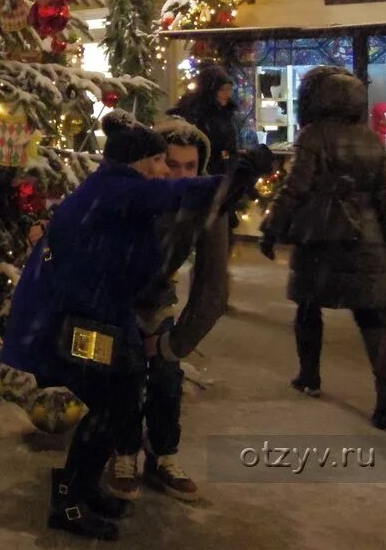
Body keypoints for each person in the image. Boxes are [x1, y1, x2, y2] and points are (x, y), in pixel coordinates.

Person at [1, 112, 229, 540]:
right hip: (82, 320)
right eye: (162, 161)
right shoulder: (119, 188)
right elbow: (175, 195)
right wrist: (228, 182)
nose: (166, 171)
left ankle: (82, 489)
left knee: (116, 398)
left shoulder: (111, 186)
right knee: (103, 404)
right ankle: (67, 502)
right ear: (142, 162)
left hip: (100, 312)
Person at [106, 117, 266, 503]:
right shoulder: (125, 193)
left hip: (157, 298)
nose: (179, 175)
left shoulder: (205, 205)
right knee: (120, 370)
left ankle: (162, 454)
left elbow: (212, 288)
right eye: (171, 164)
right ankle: (122, 449)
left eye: (190, 167)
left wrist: (171, 345)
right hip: (109, 298)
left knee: (165, 376)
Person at [259, 66, 386, 430]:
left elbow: (296, 189)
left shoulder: (313, 137)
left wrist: (272, 228)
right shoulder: (372, 140)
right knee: (374, 320)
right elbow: (384, 199)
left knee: (309, 308)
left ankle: (309, 376)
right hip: (366, 239)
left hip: (320, 236)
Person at [171, 64, 239, 174]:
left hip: (219, 172)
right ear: (211, 91)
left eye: (229, 89)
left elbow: (231, 148)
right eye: (222, 90)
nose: (227, 94)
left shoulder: (226, 114)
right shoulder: (191, 113)